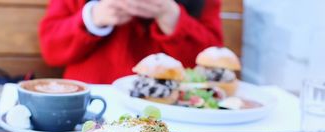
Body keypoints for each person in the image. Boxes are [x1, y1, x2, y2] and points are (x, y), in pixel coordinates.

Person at [39, 0, 223, 83]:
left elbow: (213, 61)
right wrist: (92, 17)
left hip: (171, 106)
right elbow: (50, 49)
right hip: (95, 99)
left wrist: (172, 17)